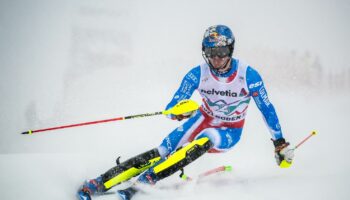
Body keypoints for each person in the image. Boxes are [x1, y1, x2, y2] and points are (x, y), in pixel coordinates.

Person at [77, 25, 294, 200]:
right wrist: (177, 113)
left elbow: (266, 108)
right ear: (204, 52)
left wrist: (279, 142)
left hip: (230, 130)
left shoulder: (248, 75)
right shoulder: (197, 73)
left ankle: (143, 183)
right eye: (211, 53)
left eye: (221, 53)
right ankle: (99, 182)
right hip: (203, 118)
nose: (216, 59)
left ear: (231, 50)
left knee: (206, 138)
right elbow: (175, 104)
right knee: (162, 150)